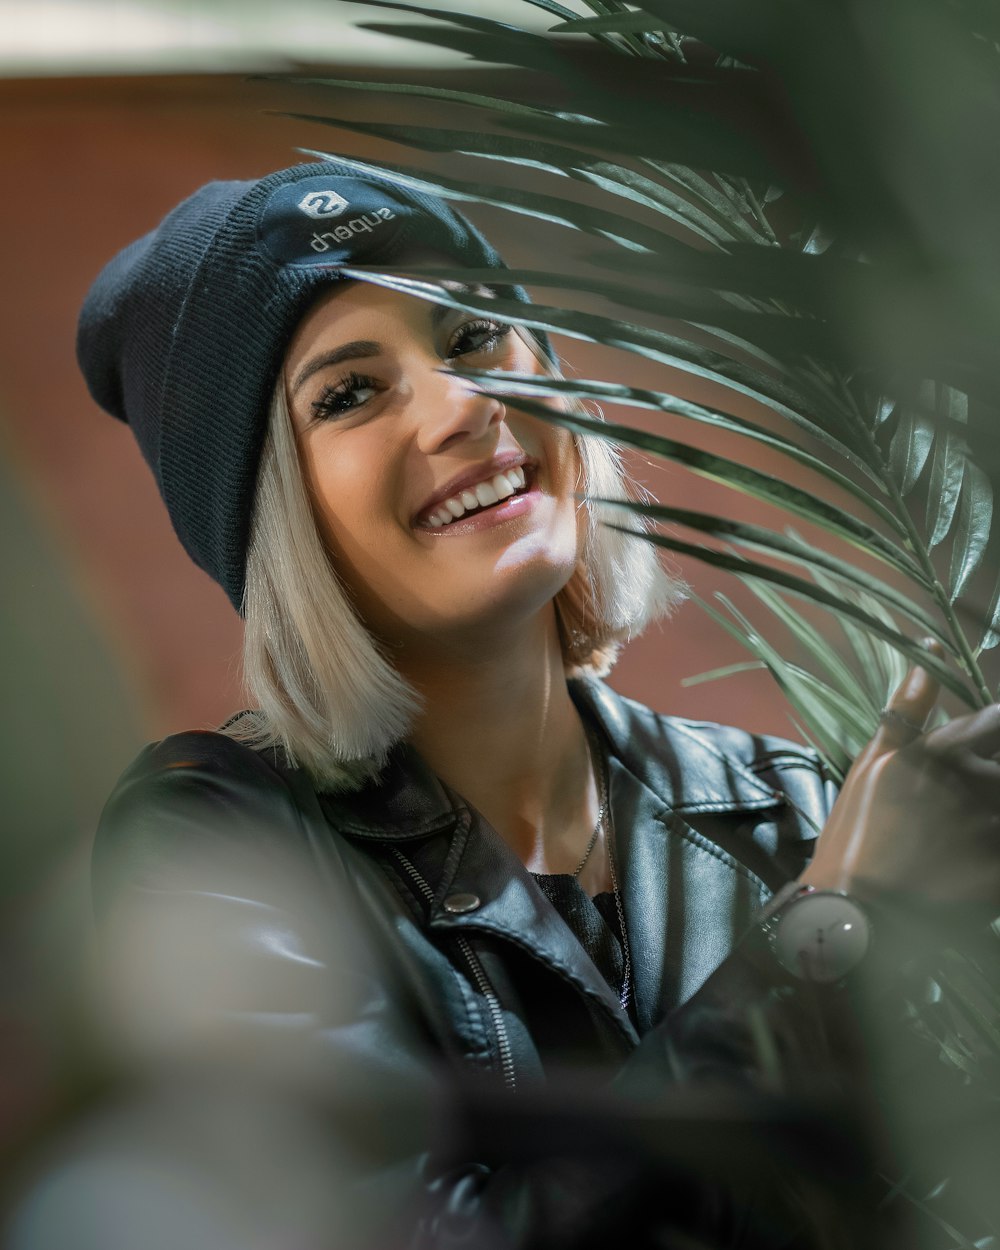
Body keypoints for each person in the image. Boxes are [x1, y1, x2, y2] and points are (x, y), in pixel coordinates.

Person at [72, 159, 1000, 1249]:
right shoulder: (219, 846)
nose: (464, 405)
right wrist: (828, 944)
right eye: (349, 392)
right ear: (269, 517)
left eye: (471, 337)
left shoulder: (790, 800)